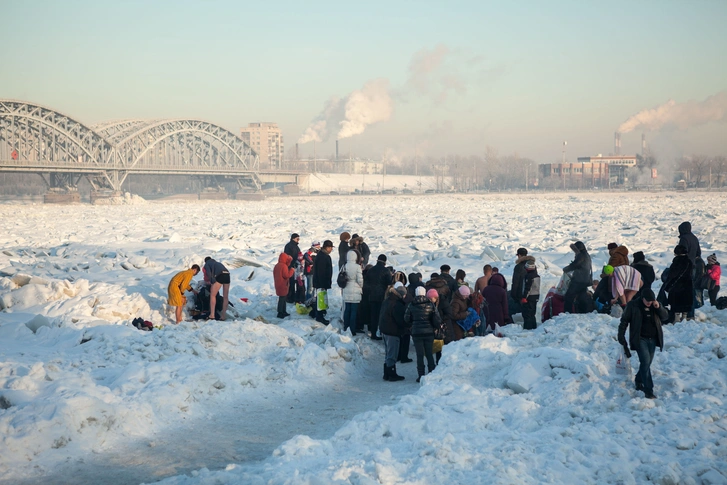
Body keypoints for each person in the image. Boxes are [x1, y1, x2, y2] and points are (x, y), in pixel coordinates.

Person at [618, 289, 667, 399]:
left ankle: (639, 379)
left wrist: (659, 307)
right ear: (642, 298)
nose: (649, 303)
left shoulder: (655, 305)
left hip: (653, 338)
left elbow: (665, 317)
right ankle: (648, 390)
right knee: (645, 361)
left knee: (647, 363)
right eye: (647, 301)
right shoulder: (633, 305)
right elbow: (624, 321)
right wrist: (621, 336)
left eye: (651, 300)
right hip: (640, 338)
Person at [404, 286, 442, 383]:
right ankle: (431, 373)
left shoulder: (411, 305)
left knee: (419, 355)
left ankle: (420, 375)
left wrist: (413, 323)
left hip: (416, 333)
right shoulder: (430, 304)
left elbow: (406, 318)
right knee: (429, 353)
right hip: (429, 332)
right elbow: (437, 319)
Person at [380, 284, 408, 381]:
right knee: (392, 353)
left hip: (385, 329)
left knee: (388, 352)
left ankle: (387, 373)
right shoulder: (397, 304)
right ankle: (391, 374)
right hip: (392, 331)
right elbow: (400, 320)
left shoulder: (387, 300)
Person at [363, 254, 393, 340]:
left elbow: (367, 282)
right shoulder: (386, 271)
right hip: (381, 295)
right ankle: (379, 332)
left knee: (373, 314)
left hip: (371, 295)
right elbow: (389, 282)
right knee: (380, 315)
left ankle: (373, 333)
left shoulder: (371, 270)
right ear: (385, 262)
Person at [663, 244, 694, 322]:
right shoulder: (689, 261)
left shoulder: (677, 261)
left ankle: (676, 319)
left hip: (677, 286)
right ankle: (684, 318)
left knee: (676, 304)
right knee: (685, 303)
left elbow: (673, 274)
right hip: (687, 285)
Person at [678, 221, 701, 318]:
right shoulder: (694, 238)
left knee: (683, 291)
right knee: (691, 290)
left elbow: (682, 252)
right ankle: (691, 313)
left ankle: (684, 312)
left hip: (685, 267)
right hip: (693, 267)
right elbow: (698, 253)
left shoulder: (684, 239)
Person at [563, 241, 593, 314]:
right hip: (585, 280)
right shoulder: (586, 255)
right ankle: (583, 312)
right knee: (581, 297)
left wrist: (566, 269)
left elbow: (575, 264)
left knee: (568, 296)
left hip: (578, 280)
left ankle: (568, 314)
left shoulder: (581, 255)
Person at [311, 240, 334, 325]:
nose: (331, 249)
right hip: (321, 283)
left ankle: (316, 313)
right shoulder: (323, 257)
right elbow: (321, 272)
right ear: (327, 247)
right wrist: (323, 284)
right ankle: (319, 316)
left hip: (321, 282)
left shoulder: (322, 255)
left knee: (320, 299)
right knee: (320, 300)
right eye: (331, 248)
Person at [341, 249, 364, 334]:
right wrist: (360, 286)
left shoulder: (344, 266)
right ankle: (352, 329)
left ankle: (346, 327)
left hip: (346, 288)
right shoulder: (357, 267)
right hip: (355, 290)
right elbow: (360, 280)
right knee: (354, 311)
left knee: (347, 310)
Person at [510, 248, 534, 316]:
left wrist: (513, 295)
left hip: (521, 294)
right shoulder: (532, 265)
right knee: (530, 314)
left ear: (519, 255)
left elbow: (515, 282)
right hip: (532, 293)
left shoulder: (518, 267)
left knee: (524, 314)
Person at [273, 253, 295, 319]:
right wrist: (292, 270)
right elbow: (287, 275)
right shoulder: (284, 266)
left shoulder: (277, 265)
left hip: (278, 284)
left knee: (283, 298)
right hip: (283, 284)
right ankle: (280, 312)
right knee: (282, 298)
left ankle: (283, 311)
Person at [520, 260, 540, 330]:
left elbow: (528, 287)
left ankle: (527, 328)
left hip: (529, 297)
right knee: (532, 313)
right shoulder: (537, 276)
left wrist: (524, 297)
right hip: (535, 296)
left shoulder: (529, 276)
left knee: (527, 314)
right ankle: (533, 327)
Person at [284, 234, 301, 303]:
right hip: (290, 266)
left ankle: (294, 297)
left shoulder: (296, 246)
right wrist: (292, 263)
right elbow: (288, 257)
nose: (298, 240)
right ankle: (290, 297)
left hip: (296, 267)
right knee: (291, 282)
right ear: (293, 238)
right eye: (297, 238)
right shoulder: (289, 246)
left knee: (296, 282)